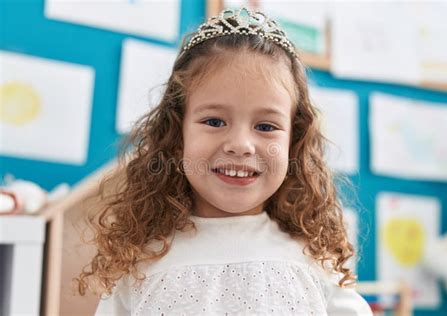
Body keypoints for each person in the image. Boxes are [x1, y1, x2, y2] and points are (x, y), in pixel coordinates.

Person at [76, 7, 372, 315]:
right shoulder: (139, 266)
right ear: (178, 136)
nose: (241, 145)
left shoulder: (311, 262)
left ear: (293, 144)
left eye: (266, 127)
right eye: (215, 122)